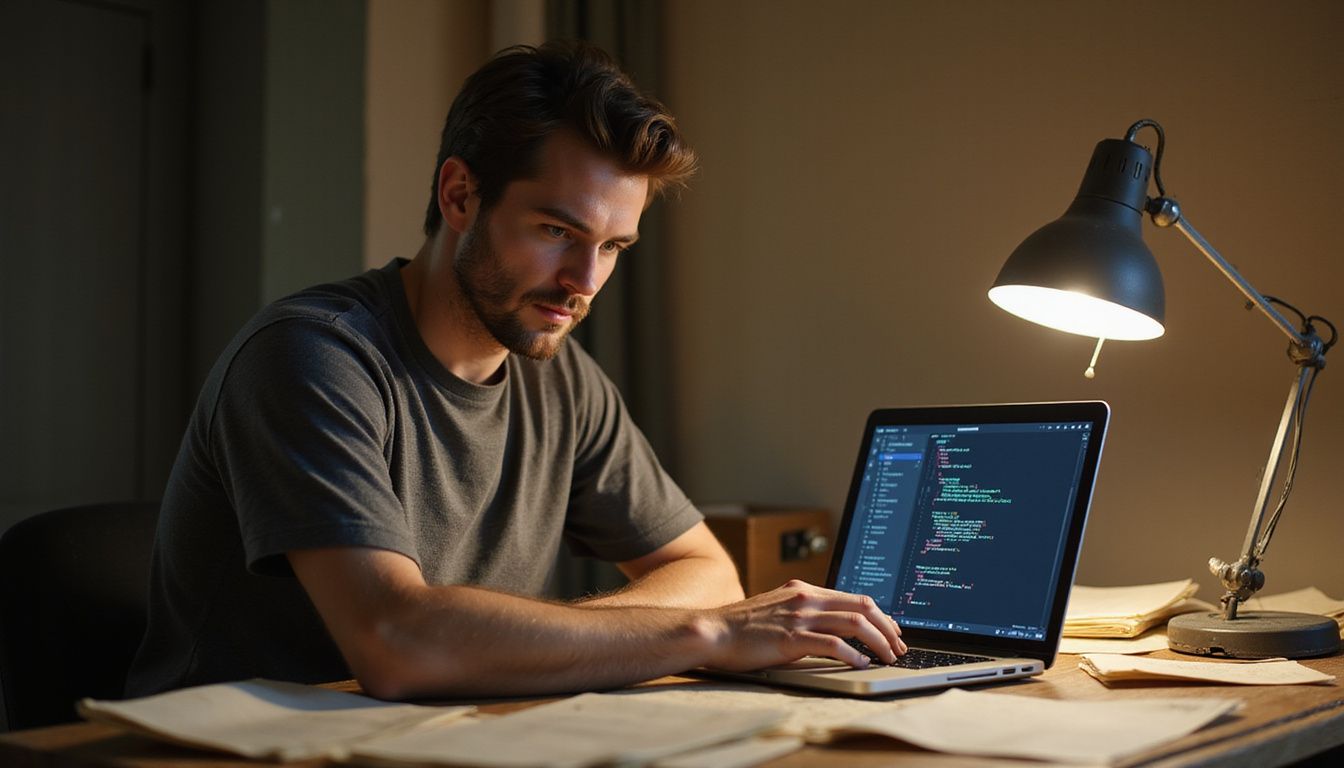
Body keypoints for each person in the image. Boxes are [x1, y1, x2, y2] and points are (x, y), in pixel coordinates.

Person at [127, 41, 905, 701]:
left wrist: (605, 634)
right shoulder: (314, 357)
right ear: (460, 194)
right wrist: (702, 635)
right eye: (556, 231)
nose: (585, 281)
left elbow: (704, 568)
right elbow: (395, 643)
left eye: (613, 247)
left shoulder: (561, 378)